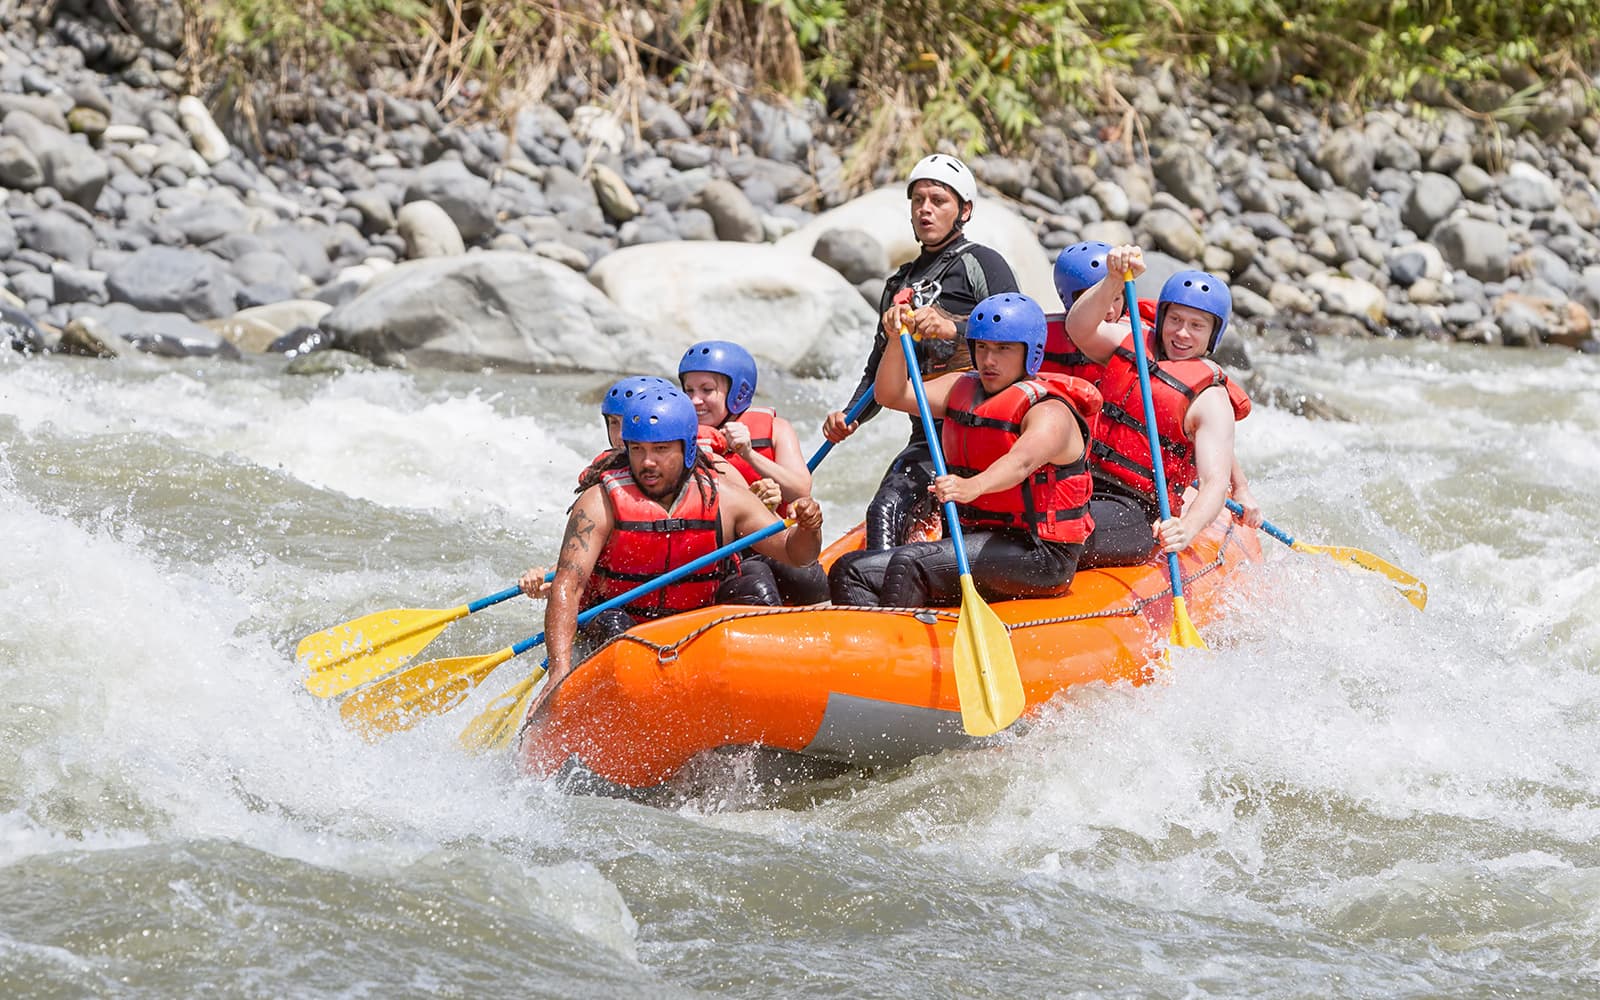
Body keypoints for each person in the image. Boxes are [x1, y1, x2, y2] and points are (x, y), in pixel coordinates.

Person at [829, 293, 1101, 608]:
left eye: (1003, 349)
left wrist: (972, 486)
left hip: (1039, 553)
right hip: (977, 538)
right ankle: (867, 646)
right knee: (850, 570)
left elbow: (1020, 462)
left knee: (908, 563)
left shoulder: (1049, 412)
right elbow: (891, 394)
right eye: (982, 347)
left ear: (1032, 353)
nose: (989, 360)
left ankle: (900, 649)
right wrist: (894, 340)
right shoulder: (961, 387)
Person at [541, 387, 824, 689]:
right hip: (619, 626)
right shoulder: (600, 502)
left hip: (694, 628)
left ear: (688, 449)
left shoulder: (725, 498)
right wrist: (559, 669)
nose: (647, 462)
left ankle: (768, 687)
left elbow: (796, 554)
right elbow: (568, 587)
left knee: (752, 587)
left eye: (660, 450)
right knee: (614, 627)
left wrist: (809, 527)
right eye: (637, 449)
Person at [821, 154, 1021, 550]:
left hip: (985, 429)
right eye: (918, 200)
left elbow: (1021, 332)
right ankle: (876, 596)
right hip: (927, 437)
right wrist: (850, 416)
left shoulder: (982, 263)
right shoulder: (899, 283)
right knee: (883, 512)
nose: (925, 209)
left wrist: (957, 327)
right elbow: (878, 369)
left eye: (938, 200)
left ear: (963, 210)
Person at [1062, 245, 1259, 568]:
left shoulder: (1210, 399)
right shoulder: (1134, 342)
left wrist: (1187, 528)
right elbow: (1079, 328)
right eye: (1176, 320)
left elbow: (1213, 482)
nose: (1182, 333)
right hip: (1080, 479)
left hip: (1137, 509)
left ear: (1212, 335)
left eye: (1197, 326)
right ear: (1162, 318)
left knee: (1053, 523)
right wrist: (1113, 279)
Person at [678, 340, 829, 605]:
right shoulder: (676, 440)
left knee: (808, 579)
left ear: (738, 392)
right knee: (757, 579)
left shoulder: (775, 429)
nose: (695, 401)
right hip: (726, 557)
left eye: (706, 390)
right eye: (689, 390)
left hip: (777, 543)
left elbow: (800, 489)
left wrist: (748, 453)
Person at [1041, 240, 1155, 382]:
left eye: (1116, 299)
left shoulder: (1142, 336)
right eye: (1097, 300)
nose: (1109, 310)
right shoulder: (1041, 334)